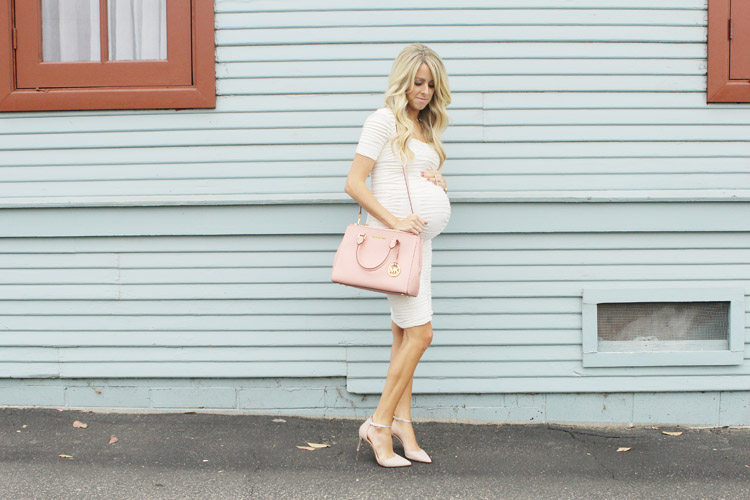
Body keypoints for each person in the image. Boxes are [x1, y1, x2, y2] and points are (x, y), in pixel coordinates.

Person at [344, 43, 451, 468]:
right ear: (402, 80)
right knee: (421, 334)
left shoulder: (422, 125)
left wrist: (437, 180)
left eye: (431, 85)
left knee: (404, 336)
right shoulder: (383, 119)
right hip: (398, 245)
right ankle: (378, 423)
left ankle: (403, 424)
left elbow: (411, 174)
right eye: (417, 82)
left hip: (421, 245)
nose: (424, 91)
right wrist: (394, 221)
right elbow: (354, 182)